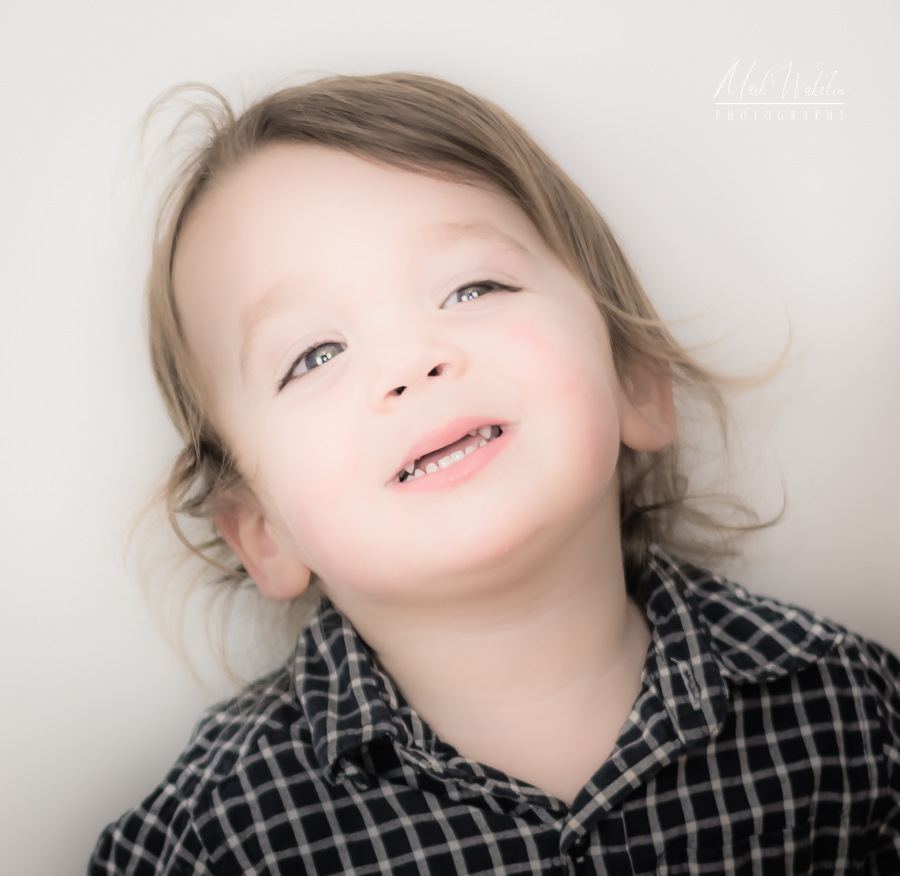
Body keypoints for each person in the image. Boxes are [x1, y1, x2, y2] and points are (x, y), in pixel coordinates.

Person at [88, 73, 900, 875]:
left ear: (635, 380)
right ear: (260, 532)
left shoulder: (854, 714)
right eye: (314, 355)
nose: (410, 362)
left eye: (472, 287)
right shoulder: (210, 840)